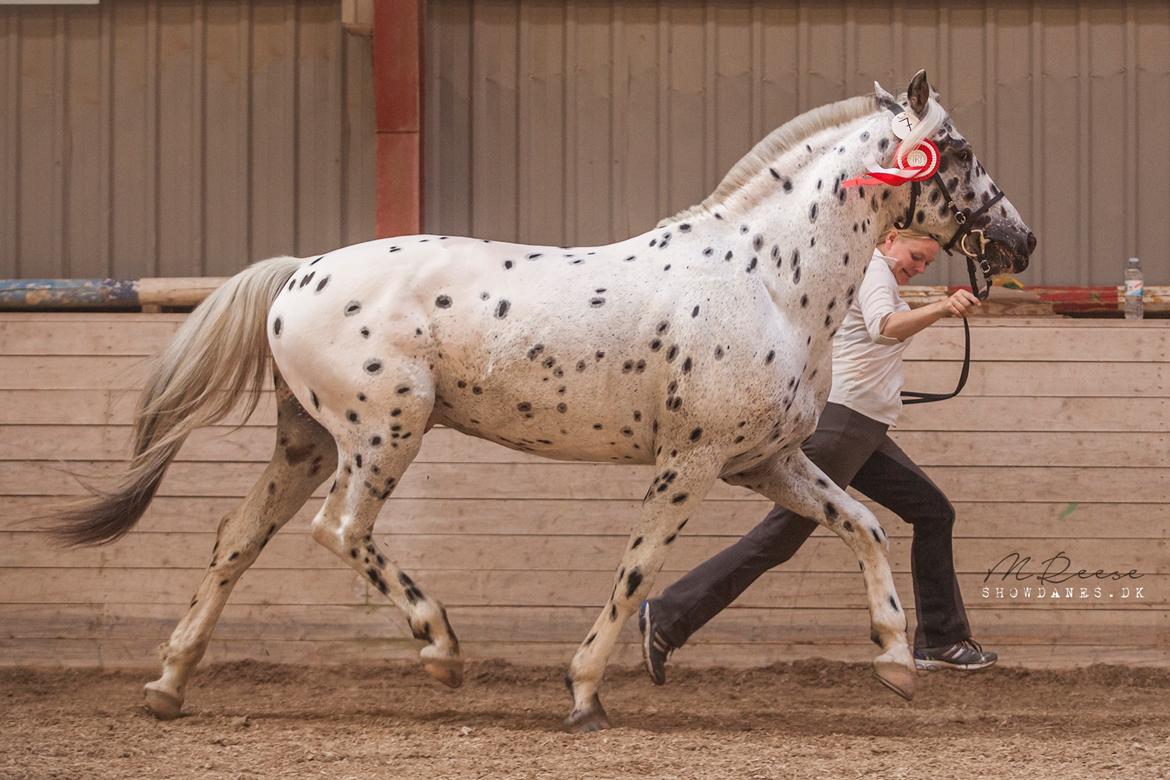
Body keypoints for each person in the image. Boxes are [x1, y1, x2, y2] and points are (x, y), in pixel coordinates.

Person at [639, 228, 996, 684]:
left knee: (933, 512)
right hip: (844, 426)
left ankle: (941, 639)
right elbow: (883, 328)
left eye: (926, 263)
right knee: (777, 540)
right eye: (915, 256)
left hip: (861, 429)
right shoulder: (874, 269)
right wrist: (943, 307)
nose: (918, 267)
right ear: (889, 240)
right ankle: (668, 617)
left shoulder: (875, 274)